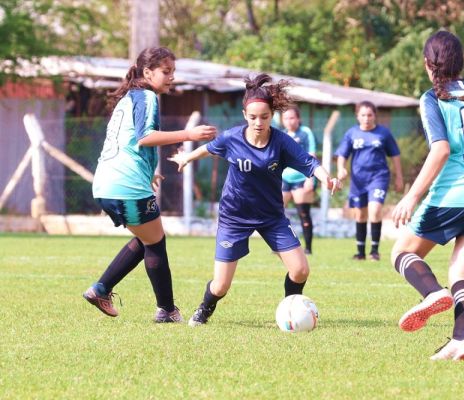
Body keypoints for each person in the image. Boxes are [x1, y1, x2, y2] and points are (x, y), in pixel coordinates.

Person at [168, 73, 342, 327]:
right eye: (252, 117)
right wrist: (186, 158)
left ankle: (291, 313)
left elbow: (309, 162)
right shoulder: (232, 138)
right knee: (221, 285)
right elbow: (210, 147)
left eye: (264, 117)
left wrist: (326, 178)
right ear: (244, 115)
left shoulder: (281, 142)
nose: (258, 122)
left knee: (300, 269)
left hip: (271, 216)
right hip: (235, 216)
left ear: (273, 115)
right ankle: (204, 309)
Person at [389, 30, 464, 360]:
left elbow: (441, 150)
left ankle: (431, 294)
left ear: (428, 64)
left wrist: (411, 196)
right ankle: (462, 339)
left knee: (402, 253)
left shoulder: (433, 97)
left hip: (455, 194)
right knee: (462, 274)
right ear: (461, 62)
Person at [82, 47, 217, 323]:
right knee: (155, 242)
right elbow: (145, 137)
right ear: (147, 72)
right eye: (166, 72)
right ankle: (166, 310)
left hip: (106, 183)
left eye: (173, 72)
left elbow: (126, 143)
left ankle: (101, 289)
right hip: (126, 184)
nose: (171, 78)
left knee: (147, 238)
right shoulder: (147, 96)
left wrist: (148, 174)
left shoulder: (127, 99)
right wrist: (189, 134)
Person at [335, 101, 404, 261]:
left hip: (378, 178)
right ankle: (360, 252)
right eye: (363, 115)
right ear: (357, 116)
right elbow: (342, 155)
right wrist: (341, 169)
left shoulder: (383, 133)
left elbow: (395, 155)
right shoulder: (351, 133)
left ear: (375, 116)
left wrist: (399, 176)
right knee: (360, 215)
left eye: (370, 115)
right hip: (359, 181)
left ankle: (374, 251)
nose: (367, 118)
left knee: (374, 211)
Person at [281, 106, 317, 254]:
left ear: (298, 119)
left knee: (303, 213)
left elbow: (312, 156)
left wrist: (311, 179)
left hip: (301, 178)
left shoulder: (305, 132)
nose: (289, 121)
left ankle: (308, 248)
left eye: (292, 118)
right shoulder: (281, 135)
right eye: (286, 118)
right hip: (284, 178)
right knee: (276, 213)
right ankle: (281, 245)